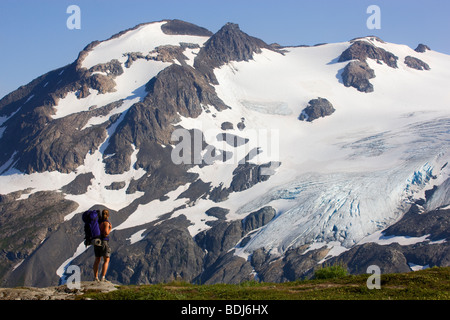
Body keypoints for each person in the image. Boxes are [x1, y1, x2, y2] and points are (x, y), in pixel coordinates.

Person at [93, 209, 112, 282]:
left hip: (97, 241)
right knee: (106, 259)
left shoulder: (98, 222)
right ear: (108, 215)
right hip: (104, 242)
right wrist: (110, 228)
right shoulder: (106, 223)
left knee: (97, 259)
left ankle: (95, 277)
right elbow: (106, 233)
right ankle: (103, 277)